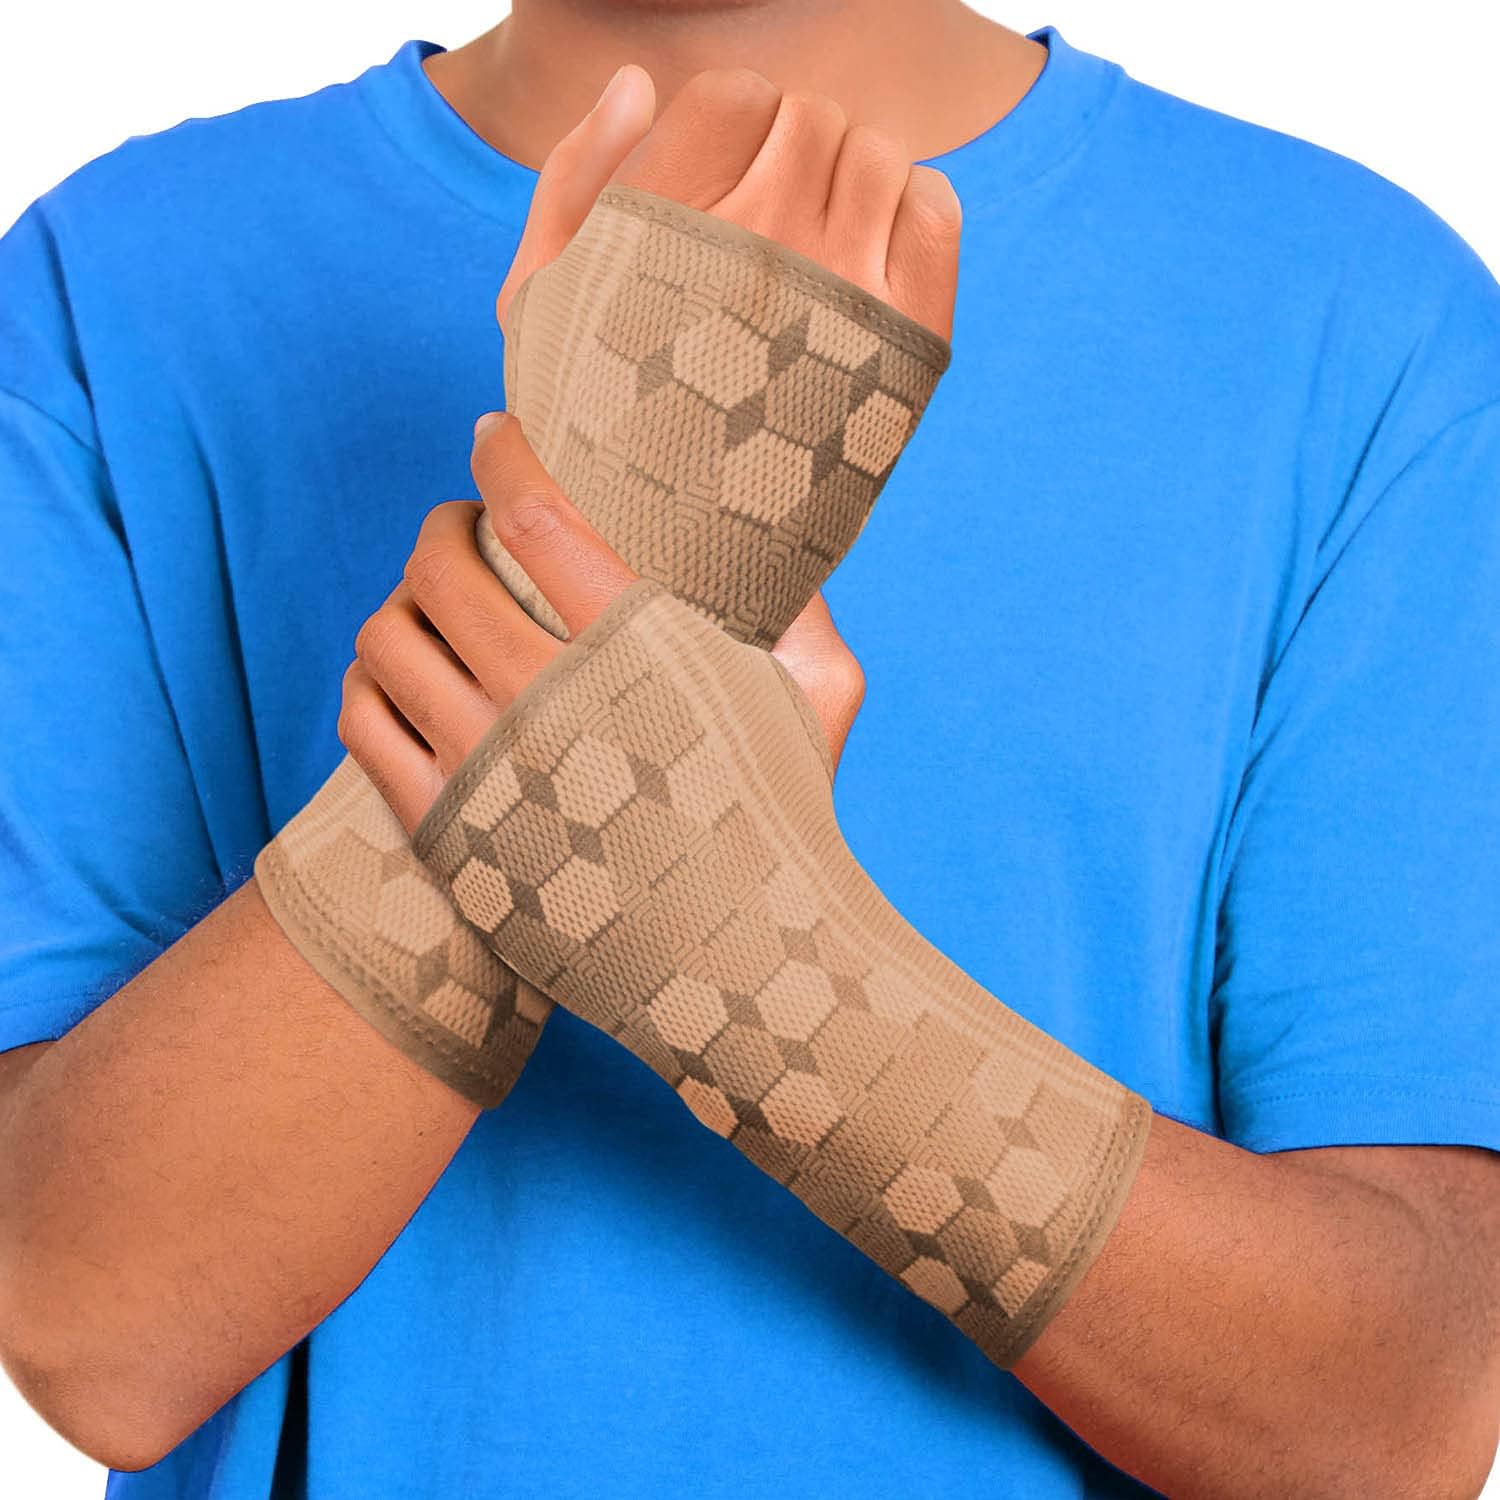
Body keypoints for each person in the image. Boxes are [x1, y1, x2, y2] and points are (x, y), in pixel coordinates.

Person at [1, 3, 1497, 1497]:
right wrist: (616, 560)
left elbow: (1400, 1423)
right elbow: (91, 1326)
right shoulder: (113, 285)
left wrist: (737, 938)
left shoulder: (1363, 322)